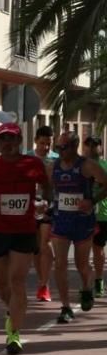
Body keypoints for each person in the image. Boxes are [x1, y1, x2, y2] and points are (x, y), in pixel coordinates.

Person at [0, 122, 54, 355]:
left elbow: (47, 189)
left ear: (19, 142)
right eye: (3, 139)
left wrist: (44, 202)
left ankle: (14, 334)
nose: (7, 143)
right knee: (3, 284)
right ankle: (12, 313)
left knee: (17, 281)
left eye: (12, 139)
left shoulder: (33, 164)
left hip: (23, 230)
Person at [49, 131, 107, 322]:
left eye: (63, 147)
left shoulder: (88, 165)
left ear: (74, 146)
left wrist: (92, 200)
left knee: (82, 265)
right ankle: (65, 307)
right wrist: (44, 203)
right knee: (60, 264)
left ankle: (86, 288)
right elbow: (45, 188)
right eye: (57, 147)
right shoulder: (53, 167)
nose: (59, 151)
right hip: (61, 221)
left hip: (83, 221)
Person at [28, 125, 58, 302]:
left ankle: (44, 285)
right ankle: (41, 281)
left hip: (50, 206)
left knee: (45, 244)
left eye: (48, 144)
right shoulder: (27, 158)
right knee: (36, 248)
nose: (45, 147)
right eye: (42, 143)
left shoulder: (56, 159)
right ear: (35, 142)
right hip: (30, 206)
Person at [84, 136, 107, 296]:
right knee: (84, 251)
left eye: (95, 145)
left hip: (103, 215)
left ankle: (99, 279)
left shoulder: (105, 166)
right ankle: (87, 284)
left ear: (101, 148)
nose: (92, 148)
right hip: (85, 215)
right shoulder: (81, 167)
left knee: (98, 250)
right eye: (89, 145)